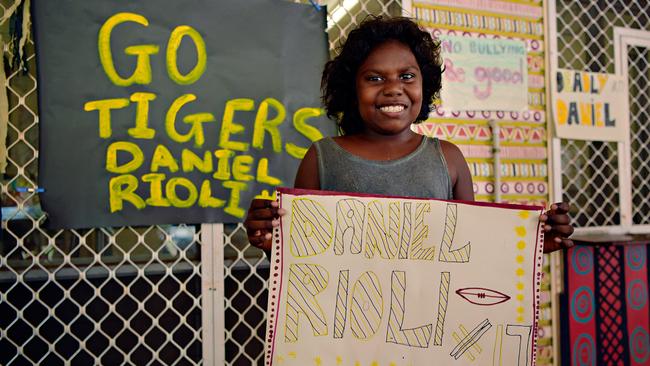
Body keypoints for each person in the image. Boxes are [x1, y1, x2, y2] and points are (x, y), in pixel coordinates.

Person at [245, 16, 573, 254]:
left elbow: (471, 248)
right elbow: (303, 254)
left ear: (424, 85)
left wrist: (536, 241)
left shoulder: (449, 159)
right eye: (374, 78)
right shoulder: (322, 158)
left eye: (406, 76)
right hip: (345, 339)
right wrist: (272, 240)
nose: (393, 89)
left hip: (431, 336)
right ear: (351, 89)